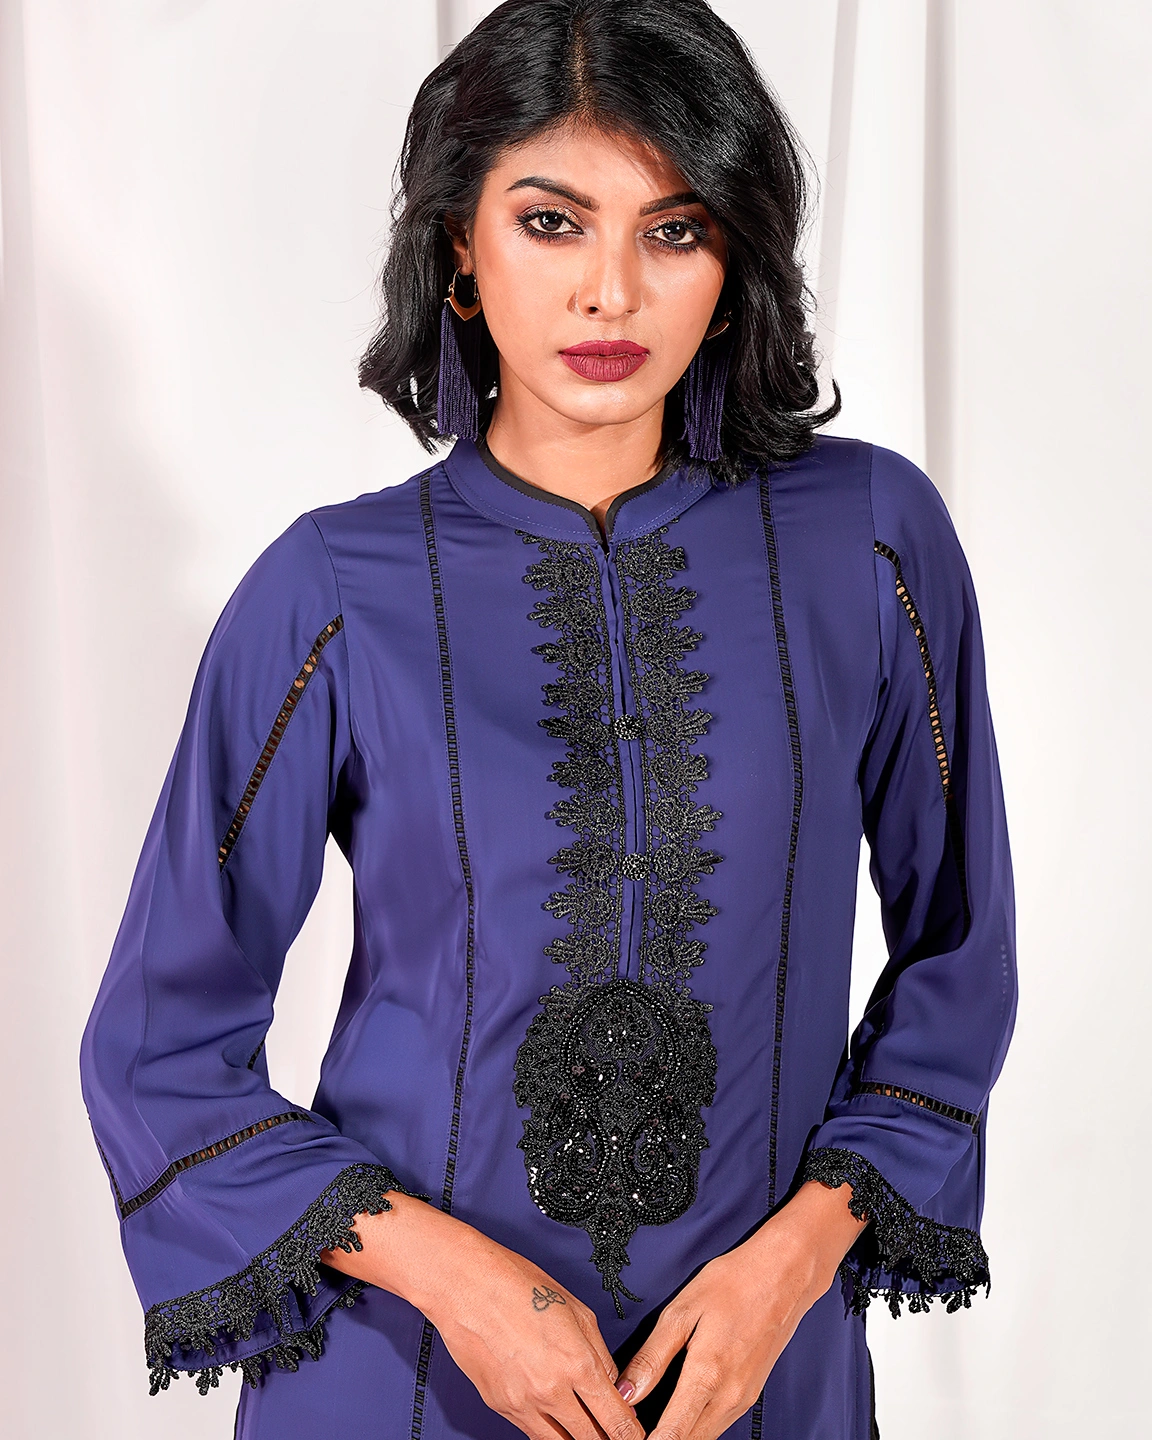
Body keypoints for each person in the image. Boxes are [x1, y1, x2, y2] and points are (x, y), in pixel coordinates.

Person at [79, 3, 1017, 1438]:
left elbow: (958, 957)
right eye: (552, 222)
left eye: (674, 231)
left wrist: (792, 1264)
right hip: (405, 1377)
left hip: (756, 1377)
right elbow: (158, 1045)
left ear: (735, 258)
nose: (612, 293)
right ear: (461, 246)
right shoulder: (333, 590)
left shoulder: (871, 541)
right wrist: (457, 1283)